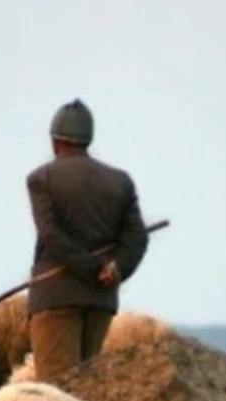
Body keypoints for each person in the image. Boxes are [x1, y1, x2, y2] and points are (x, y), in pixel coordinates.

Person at [25, 98, 149, 381]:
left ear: (55, 141)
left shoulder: (42, 179)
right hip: (100, 300)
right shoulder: (120, 181)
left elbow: (52, 236)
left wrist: (92, 269)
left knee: (59, 393)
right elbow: (137, 237)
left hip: (56, 296)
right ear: (88, 140)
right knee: (89, 389)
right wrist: (114, 268)